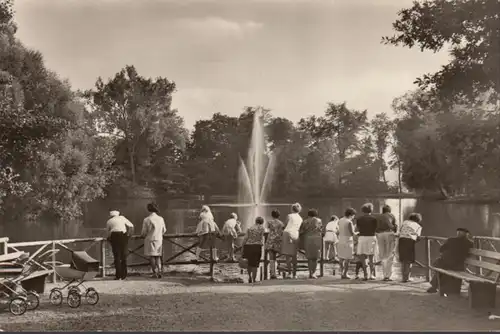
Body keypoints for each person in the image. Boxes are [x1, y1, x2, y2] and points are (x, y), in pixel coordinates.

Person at [427, 228, 473, 293]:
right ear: (467, 234)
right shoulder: (470, 243)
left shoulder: (451, 240)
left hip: (448, 264)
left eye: (459, 232)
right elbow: (468, 255)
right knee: (440, 265)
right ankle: (437, 286)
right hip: (459, 266)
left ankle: (434, 287)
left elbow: (441, 249)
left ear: (458, 233)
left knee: (439, 264)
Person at [141, 203, 167, 278]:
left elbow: (144, 232)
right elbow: (164, 230)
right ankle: (159, 271)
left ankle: (154, 272)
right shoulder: (161, 218)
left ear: (148, 209)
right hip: (159, 239)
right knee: (158, 256)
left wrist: (142, 236)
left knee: (152, 256)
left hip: (150, 239)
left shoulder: (147, 219)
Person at [106, 210, 134, 280]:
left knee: (117, 256)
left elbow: (108, 232)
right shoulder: (122, 218)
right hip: (123, 236)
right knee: (124, 255)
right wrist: (129, 235)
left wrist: (109, 239)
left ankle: (118, 276)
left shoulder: (109, 221)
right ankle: (124, 275)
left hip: (114, 236)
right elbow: (131, 226)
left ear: (111, 216)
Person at [397, 213, 423, 282]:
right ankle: (407, 277)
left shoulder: (405, 222)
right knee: (409, 260)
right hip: (409, 241)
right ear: (418, 220)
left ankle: (403, 277)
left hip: (401, 240)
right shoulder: (418, 226)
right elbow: (418, 237)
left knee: (403, 260)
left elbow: (400, 231)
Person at [356, 203, 378, 281]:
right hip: (371, 237)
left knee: (363, 257)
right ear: (371, 210)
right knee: (371, 257)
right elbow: (376, 229)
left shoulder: (359, 219)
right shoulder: (374, 219)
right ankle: (371, 275)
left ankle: (365, 275)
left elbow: (358, 228)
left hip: (362, 237)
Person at [376, 204, 398, 281]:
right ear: (389, 210)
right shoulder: (391, 215)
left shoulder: (378, 216)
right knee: (390, 254)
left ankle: (384, 274)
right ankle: (388, 275)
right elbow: (395, 226)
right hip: (389, 234)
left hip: (379, 235)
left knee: (382, 254)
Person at [281, 203, 303, 279]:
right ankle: (295, 274)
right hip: (295, 234)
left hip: (287, 233)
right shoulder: (300, 218)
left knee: (287, 255)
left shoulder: (289, 216)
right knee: (294, 255)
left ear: (292, 209)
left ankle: (289, 273)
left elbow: (285, 225)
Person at [300, 209, 323, 279]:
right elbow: (321, 229)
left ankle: (310, 273)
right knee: (315, 258)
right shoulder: (319, 220)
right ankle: (314, 273)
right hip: (316, 239)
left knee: (309, 258)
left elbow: (302, 231)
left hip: (308, 239)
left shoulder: (305, 221)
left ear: (308, 214)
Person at [242, 216, 266, 283]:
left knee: (249, 263)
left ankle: (249, 277)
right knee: (255, 264)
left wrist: (242, 246)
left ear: (255, 221)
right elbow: (262, 237)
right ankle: (254, 279)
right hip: (257, 246)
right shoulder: (262, 228)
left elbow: (245, 238)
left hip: (248, 246)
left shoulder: (250, 227)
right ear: (262, 222)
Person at [337, 208, 357, 279]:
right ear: (351, 215)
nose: (354, 217)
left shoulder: (340, 220)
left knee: (341, 258)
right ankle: (345, 273)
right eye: (353, 215)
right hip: (348, 241)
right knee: (347, 259)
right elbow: (352, 233)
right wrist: (357, 232)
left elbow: (339, 231)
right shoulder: (349, 222)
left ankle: (342, 272)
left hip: (340, 240)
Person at [265, 209, 284, 279]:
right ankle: (275, 273)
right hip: (277, 241)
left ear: (272, 215)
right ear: (279, 216)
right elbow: (281, 231)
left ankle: (272, 273)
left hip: (270, 240)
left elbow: (267, 229)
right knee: (275, 257)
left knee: (271, 257)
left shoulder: (269, 222)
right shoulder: (281, 223)